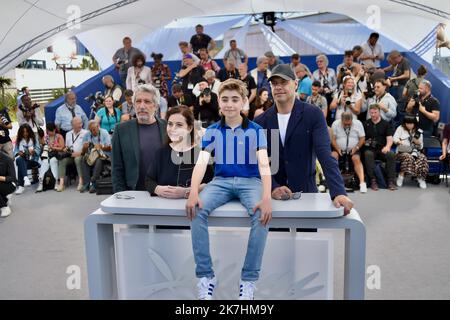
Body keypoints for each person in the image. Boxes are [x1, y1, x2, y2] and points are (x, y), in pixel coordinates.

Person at [186, 78, 272, 300]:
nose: (230, 104)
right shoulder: (213, 131)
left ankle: (248, 280)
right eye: (225, 99)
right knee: (196, 210)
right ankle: (206, 277)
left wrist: (266, 196)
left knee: (262, 215)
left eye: (235, 100)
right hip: (221, 182)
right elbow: (202, 162)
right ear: (219, 102)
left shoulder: (256, 130)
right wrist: (194, 191)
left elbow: (264, 164)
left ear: (244, 102)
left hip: (250, 181)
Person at [253, 64, 353, 213]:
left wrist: (338, 193)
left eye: (283, 82)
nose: (278, 87)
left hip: (306, 195)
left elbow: (325, 155)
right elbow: (257, 161)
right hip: (273, 199)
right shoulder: (261, 121)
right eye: (274, 83)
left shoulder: (313, 115)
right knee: (275, 237)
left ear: (296, 84)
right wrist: (273, 187)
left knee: (307, 236)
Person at [146, 106, 213, 197]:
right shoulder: (161, 153)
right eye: (170, 124)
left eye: (179, 125)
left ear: (189, 128)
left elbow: (211, 183)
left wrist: (186, 192)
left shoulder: (201, 154)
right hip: (162, 207)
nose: (173, 129)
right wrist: (157, 189)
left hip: (191, 207)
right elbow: (149, 180)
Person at [112, 84, 167, 193]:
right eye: (138, 101)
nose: (142, 106)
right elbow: (117, 168)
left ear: (156, 106)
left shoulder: (168, 127)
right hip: (133, 193)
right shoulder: (121, 130)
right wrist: (120, 196)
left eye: (147, 102)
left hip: (163, 193)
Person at [363, 104, 396, 191]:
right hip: (370, 149)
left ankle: (391, 181)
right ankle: (373, 180)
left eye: (375, 112)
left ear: (379, 112)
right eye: (371, 113)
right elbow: (362, 138)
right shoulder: (366, 123)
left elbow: (390, 138)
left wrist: (388, 146)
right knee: (367, 154)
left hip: (382, 149)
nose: (373, 115)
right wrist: (365, 142)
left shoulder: (386, 124)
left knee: (391, 154)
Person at [331, 112, 367, 193]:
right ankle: (333, 182)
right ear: (341, 120)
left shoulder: (358, 123)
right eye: (345, 124)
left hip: (354, 149)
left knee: (356, 158)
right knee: (333, 156)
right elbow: (333, 139)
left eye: (349, 124)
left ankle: (362, 183)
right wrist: (337, 148)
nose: (347, 125)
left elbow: (362, 138)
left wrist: (356, 147)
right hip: (338, 148)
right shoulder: (335, 124)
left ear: (352, 120)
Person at [393, 115, 428, 189]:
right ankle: (401, 175)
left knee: (423, 157)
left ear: (414, 123)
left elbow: (421, 146)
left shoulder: (418, 131)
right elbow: (394, 138)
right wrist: (398, 141)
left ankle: (421, 178)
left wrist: (418, 143)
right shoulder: (400, 128)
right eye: (407, 123)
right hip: (402, 151)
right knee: (409, 157)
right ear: (405, 123)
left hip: (415, 151)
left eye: (411, 123)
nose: (409, 125)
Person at [57, 117, 88, 192]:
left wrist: (79, 153)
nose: (80, 125)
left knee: (78, 159)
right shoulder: (68, 134)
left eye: (81, 123)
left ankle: (81, 182)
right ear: (72, 125)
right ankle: (61, 183)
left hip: (82, 154)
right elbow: (67, 146)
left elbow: (87, 148)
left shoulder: (86, 133)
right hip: (71, 155)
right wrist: (65, 149)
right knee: (62, 160)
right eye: (78, 124)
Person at [80, 120, 112, 193]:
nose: (93, 132)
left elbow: (110, 148)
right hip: (92, 155)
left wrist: (101, 146)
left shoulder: (104, 132)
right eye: (91, 130)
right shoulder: (87, 135)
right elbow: (83, 152)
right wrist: (84, 148)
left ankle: (93, 183)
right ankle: (86, 184)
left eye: (94, 129)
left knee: (98, 160)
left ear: (98, 127)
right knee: (83, 159)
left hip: (103, 155)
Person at [36, 123, 64, 193]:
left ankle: (56, 181)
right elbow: (41, 144)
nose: (49, 133)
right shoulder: (46, 137)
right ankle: (41, 182)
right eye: (48, 131)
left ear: (54, 130)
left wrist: (53, 148)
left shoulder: (59, 136)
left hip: (56, 155)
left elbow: (62, 148)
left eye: (50, 131)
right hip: (47, 155)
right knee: (45, 162)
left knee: (53, 161)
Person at [14, 124, 41, 195]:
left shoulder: (34, 138)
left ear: (29, 132)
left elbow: (38, 150)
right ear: (21, 132)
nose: (25, 134)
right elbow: (15, 151)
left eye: (26, 132)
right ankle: (25, 178)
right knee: (19, 160)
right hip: (23, 160)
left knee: (20, 163)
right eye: (23, 132)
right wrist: (19, 153)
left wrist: (34, 151)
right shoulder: (19, 140)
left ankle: (21, 186)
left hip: (33, 160)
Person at [0, 150, 16, 217]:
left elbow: (12, 178)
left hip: (10, 184)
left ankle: (4, 207)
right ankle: (4, 199)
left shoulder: (7, 159)